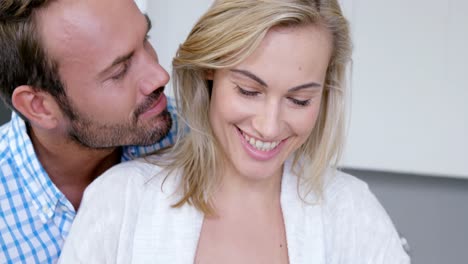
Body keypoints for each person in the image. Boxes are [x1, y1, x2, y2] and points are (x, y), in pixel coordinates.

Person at [59, 0, 411, 263]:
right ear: (209, 72)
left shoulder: (353, 214)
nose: (269, 126)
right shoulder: (120, 202)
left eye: (300, 99)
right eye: (248, 91)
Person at [0, 0, 178, 263]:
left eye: (146, 38)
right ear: (39, 107)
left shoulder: (196, 138)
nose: (161, 75)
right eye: (119, 71)